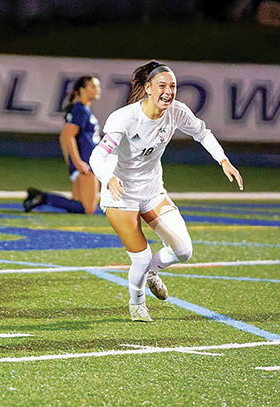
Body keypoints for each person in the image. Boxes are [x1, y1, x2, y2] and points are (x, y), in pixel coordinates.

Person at [89, 60, 243, 322]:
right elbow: (97, 155)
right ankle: (137, 303)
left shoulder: (177, 112)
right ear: (148, 88)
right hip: (120, 194)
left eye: (173, 86)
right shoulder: (125, 118)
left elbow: (202, 133)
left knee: (183, 250)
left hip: (152, 191)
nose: (169, 91)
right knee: (140, 257)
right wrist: (107, 177)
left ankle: (151, 272)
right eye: (162, 85)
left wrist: (223, 160)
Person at [24, 76, 102, 214]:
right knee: (87, 208)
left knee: (78, 204)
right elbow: (67, 135)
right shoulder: (80, 110)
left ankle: (41, 197)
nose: (98, 89)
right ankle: (43, 197)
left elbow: (64, 137)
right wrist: (77, 162)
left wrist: (70, 159)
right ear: (82, 90)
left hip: (85, 161)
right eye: (93, 86)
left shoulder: (81, 109)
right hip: (85, 162)